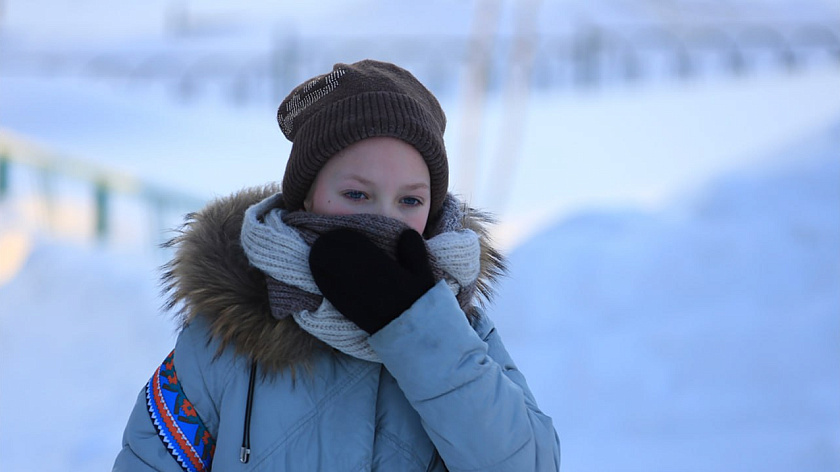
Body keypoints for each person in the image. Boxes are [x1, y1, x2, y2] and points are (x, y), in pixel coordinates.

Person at [114, 59, 561, 471]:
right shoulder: (227, 336)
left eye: (410, 200)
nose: (383, 220)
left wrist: (421, 327)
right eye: (356, 195)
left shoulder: (462, 331)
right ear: (307, 195)